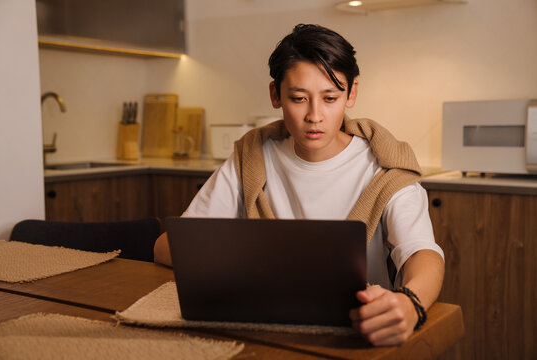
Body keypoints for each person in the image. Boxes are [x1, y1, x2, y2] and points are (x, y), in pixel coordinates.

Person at [154, 23, 444, 346]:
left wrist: (410, 302)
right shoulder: (251, 156)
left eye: (330, 98)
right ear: (275, 95)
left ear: (352, 94)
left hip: (358, 337)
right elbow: (168, 246)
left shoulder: (384, 167)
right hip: (264, 334)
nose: (315, 115)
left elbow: (423, 254)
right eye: (298, 98)